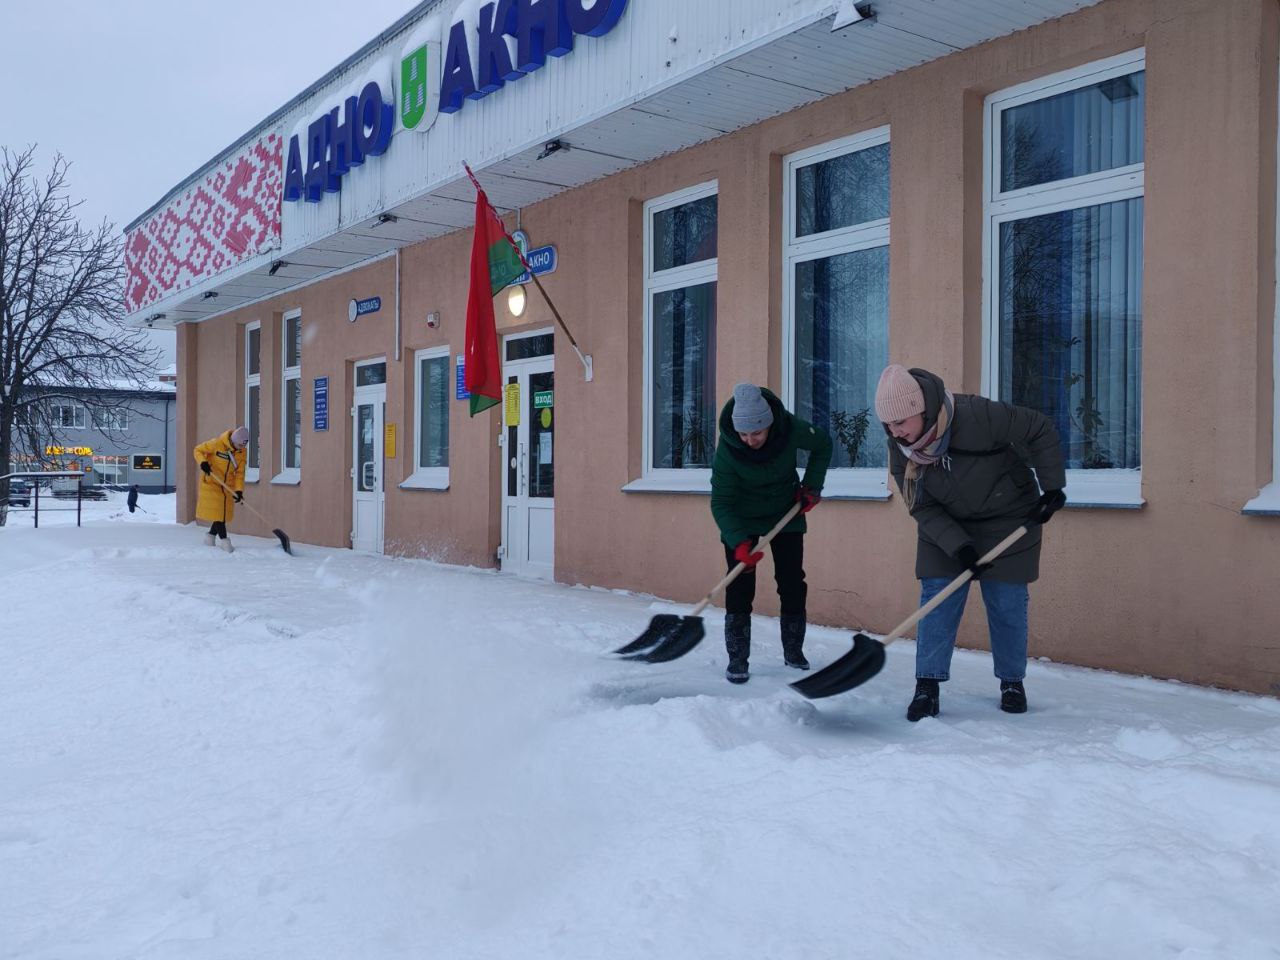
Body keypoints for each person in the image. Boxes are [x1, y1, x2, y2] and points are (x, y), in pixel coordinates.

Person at [875, 364, 1066, 720]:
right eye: (888, 425)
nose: (895, 432)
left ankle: (1012, 682)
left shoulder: (977, 416)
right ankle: (927, 686)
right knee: (938, 597)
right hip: (946, 524)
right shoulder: (899, 449)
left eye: (900, 422)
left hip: (1007, 517)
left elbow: (1038, 428)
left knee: (1006, 601)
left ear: (922, 409)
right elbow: (920, 505)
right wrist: (959, 546)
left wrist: (1052, 487)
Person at [710, 383, 832, 683]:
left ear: (769, 424)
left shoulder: (789, 429)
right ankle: (737, 659)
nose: (750, 440)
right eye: (744, 434)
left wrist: (812, 485)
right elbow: (721, 502)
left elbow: (822, 444)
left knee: (791, 582)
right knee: (739, 585)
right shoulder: (727, 451)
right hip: (742, 520)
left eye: (757, 432)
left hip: (785, 514)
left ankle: (794, 652)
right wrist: (739, 542)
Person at [193, 426, 249, 553]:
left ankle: (210, 537)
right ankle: (225, 542)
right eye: (240, 445)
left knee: (221, 513)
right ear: (233, 441)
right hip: (211, 482)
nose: (241, 448)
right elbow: (197, 450)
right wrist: (203, 463)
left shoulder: (241, 453)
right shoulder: (217, 444)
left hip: (226, 486)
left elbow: (240, 473)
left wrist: (239, 490)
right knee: (219, 513)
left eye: (244, 445)